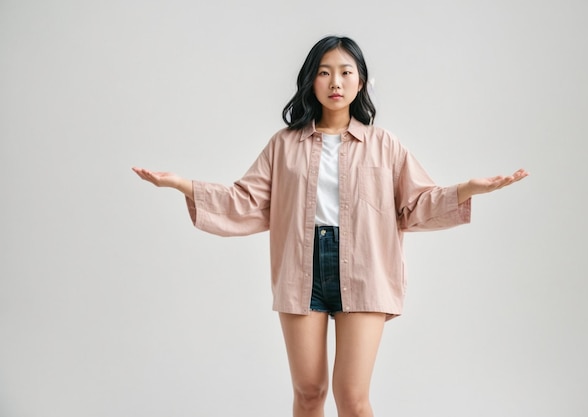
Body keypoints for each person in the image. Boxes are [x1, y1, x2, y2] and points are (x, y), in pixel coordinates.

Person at [132, 35, 528, 417]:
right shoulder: (283, 144)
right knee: (308, 394)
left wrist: (465, 190)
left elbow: (415, 205)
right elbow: (247, 202)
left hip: (365, 270)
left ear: (361, 81)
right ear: (311, 80)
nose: (335, 82)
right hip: (302, 270)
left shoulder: (384, 144)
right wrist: (183, 184)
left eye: (345, 72)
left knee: (352, 400)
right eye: (324, 72)